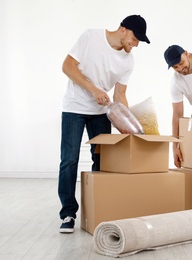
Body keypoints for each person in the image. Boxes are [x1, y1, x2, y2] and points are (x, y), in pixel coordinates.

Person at [58, 15, 150, 233]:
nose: (135, 45)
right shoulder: (91, 36)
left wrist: (130, 127)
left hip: (101, 112)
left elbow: (120, 96)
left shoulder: (129, 61)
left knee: (101, 159)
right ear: (123, 30)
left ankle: (99, 208)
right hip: (74, 108)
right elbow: (67, 67)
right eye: (135, 39)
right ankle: (68, 213)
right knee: (69, 160)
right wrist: (94, 89)